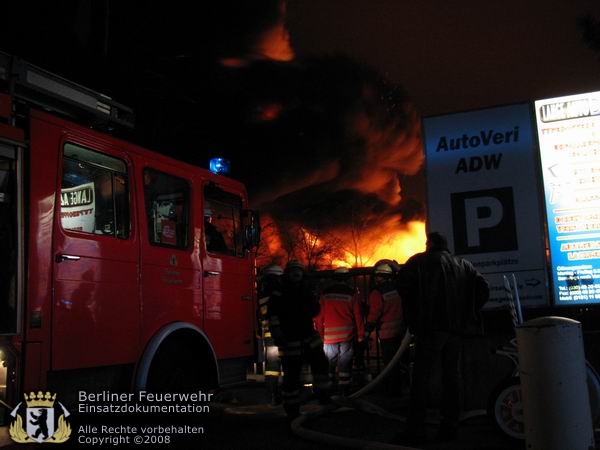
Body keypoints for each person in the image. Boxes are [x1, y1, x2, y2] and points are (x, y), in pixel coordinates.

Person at [395, 232, 489, 444]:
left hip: (430, 329)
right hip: (455, 331)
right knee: (451, 377)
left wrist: (416, 314)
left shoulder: (418, 262)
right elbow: (483, 289)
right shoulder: (464, 265)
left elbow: (403, 286)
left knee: (421, 378)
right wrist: (469, 312)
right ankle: (450, 426)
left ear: (429, 244)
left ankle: (416, 430)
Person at [266, 260, 331, 422]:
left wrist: (313, 302)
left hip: (308, 333)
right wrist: (278, 333)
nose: (297, 273)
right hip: (289, 336)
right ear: (287, 273)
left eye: (299, 271)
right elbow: (272, 314)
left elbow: (315, 310)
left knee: (321, 363)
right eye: (294, 270)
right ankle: (292, 409)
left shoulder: (306, 289)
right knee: (292, 373)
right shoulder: (279, 291)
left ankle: (323, 395)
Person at [315, 267, 365, 395]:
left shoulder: (325, 294)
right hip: (347, 336)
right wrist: (360, 334)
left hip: (328, 337)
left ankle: (329, 388)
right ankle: (344, 390)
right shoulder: (352, 293)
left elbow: (318, 318)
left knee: (329, 364)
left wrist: (321, 334)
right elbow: (358, 315)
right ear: (347, 279)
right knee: (345, 364)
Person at [366, 262, 405, 373]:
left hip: (386, 334)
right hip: (400, 330)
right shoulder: (398, 287)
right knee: (400, 361)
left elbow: (374, 313)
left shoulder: (377, 293)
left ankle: (392, 388)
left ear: (380, 277)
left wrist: (367, 329)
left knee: (390, 365)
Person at [256, 263, 284, 405]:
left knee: (271, 368)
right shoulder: (282, 292)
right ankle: (285, 396)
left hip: (268, 336)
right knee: (288, 364)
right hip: (284, 334)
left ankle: (271, 396)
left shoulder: (261, 294)